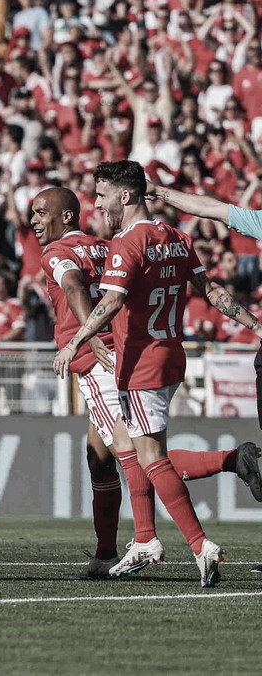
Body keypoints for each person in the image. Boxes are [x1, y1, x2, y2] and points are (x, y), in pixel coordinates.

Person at [31, 186, 262, 581]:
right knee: (98, 456)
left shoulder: (57, 253)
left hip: (96, 359)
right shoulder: (104, 246)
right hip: (132, 351)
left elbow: (73, 288)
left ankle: (148, 537)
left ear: (65, 215)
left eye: (39, 212)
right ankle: (105, 552)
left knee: (139, 455)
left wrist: (85, 338)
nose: (33, 220)